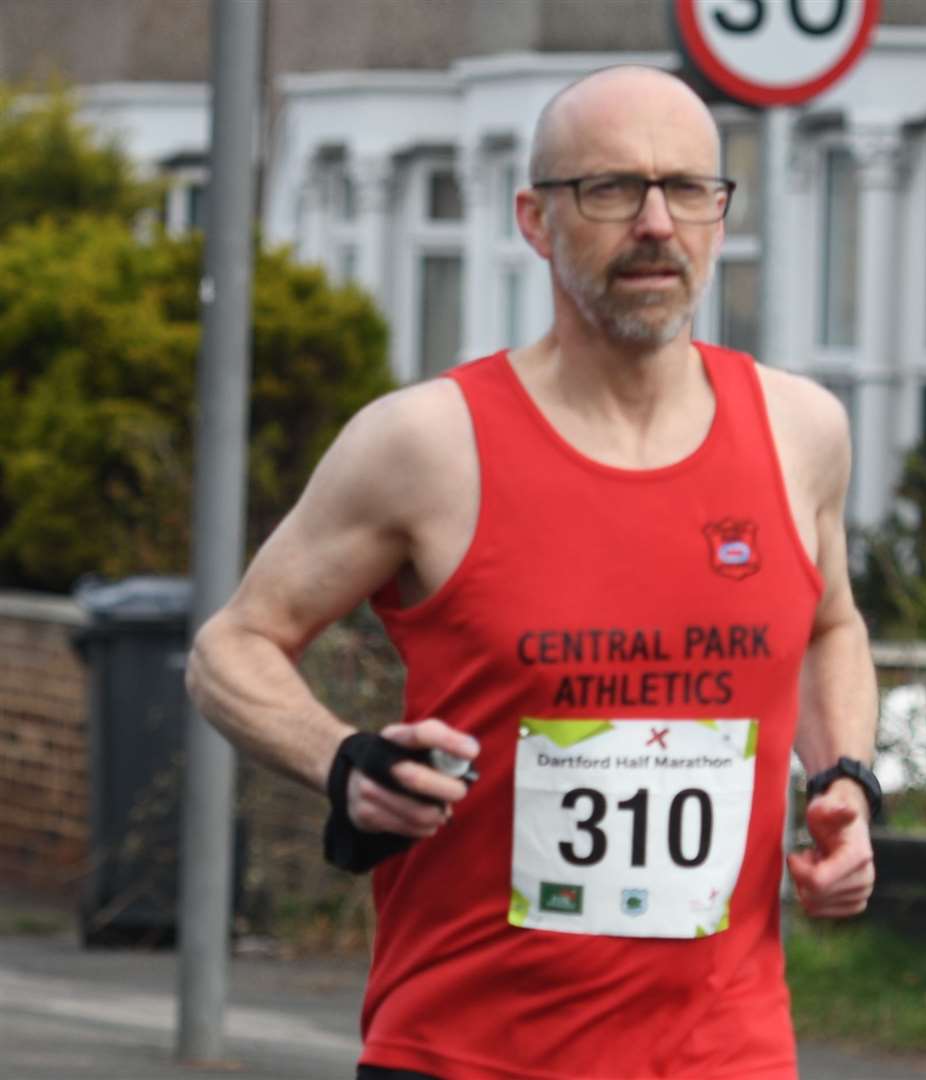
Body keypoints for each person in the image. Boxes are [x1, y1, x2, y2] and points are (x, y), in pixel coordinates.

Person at [187, 64, 879, 1080]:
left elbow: (827, 626)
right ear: (533, 219)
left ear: (720, 213)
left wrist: (843, 782)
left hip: (725, 1053)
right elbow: (229, 649)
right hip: (467, 1050)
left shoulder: (799, 429)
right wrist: (341, 760)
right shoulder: (426, 444)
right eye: (609, 189)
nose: (654, 223)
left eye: (686, 188)